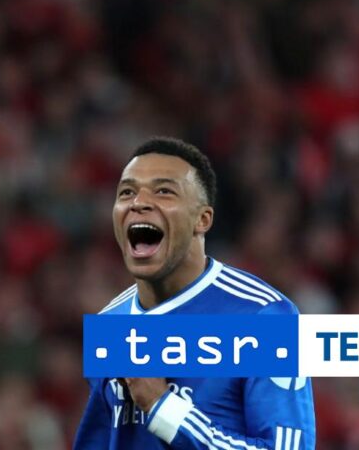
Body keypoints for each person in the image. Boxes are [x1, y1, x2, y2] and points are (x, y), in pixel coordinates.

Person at [73, 137, 315, 449]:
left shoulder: (263, 316)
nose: (139, 202)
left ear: (202, 220)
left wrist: (164, 409)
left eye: (164, 191)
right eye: (127, 192)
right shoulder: (111, 323)